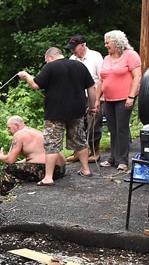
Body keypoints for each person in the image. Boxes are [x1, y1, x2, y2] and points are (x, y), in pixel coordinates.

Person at [17, 47, 97, 185]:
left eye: (46, 61)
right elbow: (91, 88)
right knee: (80, 139)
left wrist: (25, 76)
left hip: (55, 112)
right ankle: (85, 169)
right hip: (77, 110)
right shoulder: (79, 65)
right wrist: (92, 107)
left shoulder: (50, 67)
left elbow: (36, 84)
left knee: (51, 143)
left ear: (50, 57)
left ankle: (48, 177)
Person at [95, 29, 142, 172]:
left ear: (116, 42)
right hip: (109, 99)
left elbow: (137, 76)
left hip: (124, 98)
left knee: (122, 128)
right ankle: (112, 158)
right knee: (112, 129)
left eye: (108, 42)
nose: (106, 45)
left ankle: (123, 160)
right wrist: (97, 99)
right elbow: (102, 80)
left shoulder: (131, 55)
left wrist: (131, 96)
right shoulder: (107, 58)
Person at [0, 115, 66, 195]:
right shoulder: (33, 131)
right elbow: (32, 157)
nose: (8, 131)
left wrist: (0, 156)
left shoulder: (19, 134)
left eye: (9, 128)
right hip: (60, 169)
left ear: (16, 125)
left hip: (48, 169)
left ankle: (4, 195)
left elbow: (10, 160)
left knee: (8, 168)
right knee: (18, 167)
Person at [66, 34, 103, 163]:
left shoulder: (95, 56)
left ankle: (95, 152)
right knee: (78, 126)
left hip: (93, 95)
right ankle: (77, 152)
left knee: (93, 125)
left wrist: (98, 99)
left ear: (82, 45)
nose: (72, 51)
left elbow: (101, 78)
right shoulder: (72, 59)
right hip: (78, 97)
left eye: (74, 48)